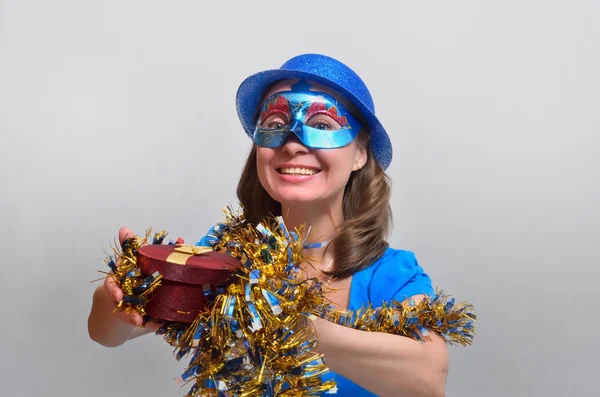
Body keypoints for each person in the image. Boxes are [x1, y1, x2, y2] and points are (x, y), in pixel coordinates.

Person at [88, 54, 449, 397]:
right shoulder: (224, 258)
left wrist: (283, 320)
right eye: (275, 124)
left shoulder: (391, 274)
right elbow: (106, 334)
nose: (292, 144)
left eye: (322, 125)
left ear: (360, 153)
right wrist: (124, 293)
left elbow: (429, 379)